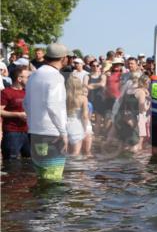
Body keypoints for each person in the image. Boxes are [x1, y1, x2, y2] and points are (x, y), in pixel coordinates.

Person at [24, 43, 70, 181]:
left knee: (42, 177)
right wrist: (63, 132)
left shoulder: (34, 75)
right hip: (52, 134)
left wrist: (32, 123)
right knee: (53, 180)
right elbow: (53, 105)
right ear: (63, 58)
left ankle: (40, 203)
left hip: (35, 132)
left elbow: (25, 103)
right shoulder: (56, 76)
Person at [1, 65, 31, 160]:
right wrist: (17, 114)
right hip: (12, 132)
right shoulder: (6, 92)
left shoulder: (28, 92)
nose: (30, 79)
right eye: (28, 77)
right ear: (19, 78)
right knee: (11, 164)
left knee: (29, 163)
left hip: (28, 132)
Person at [64, 76, 92, 156]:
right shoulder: (83, 98)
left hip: (66, 124)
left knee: (68, 152)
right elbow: (85, 116)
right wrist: (86, 129)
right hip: (78, 125)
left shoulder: (64, 98)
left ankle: (68, 167)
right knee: (78, 152)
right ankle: (77, 168)